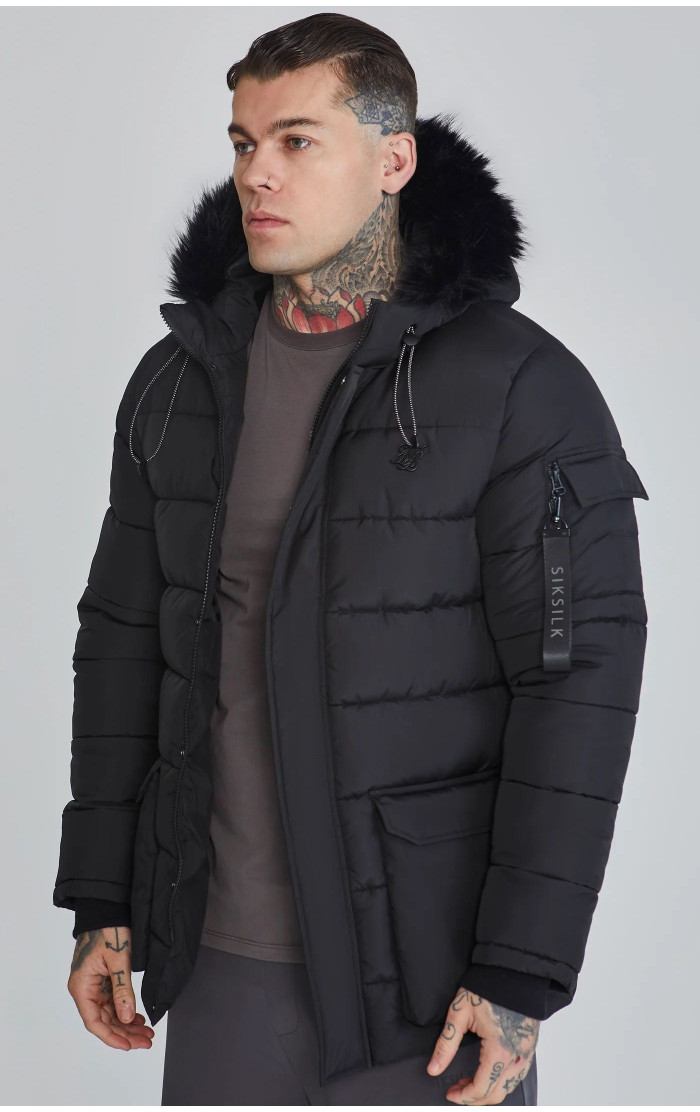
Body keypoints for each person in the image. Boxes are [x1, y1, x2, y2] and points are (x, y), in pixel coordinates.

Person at [53, 11, 650, 1107]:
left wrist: (520, 969)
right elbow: (124, 641)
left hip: (422, 982)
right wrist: (104, 896)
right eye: (244, 143)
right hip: (214, 957)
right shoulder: (180, 381)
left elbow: (576, 682)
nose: (257, 173)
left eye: (296, 140)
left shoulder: (518, 389)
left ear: (393, 160)